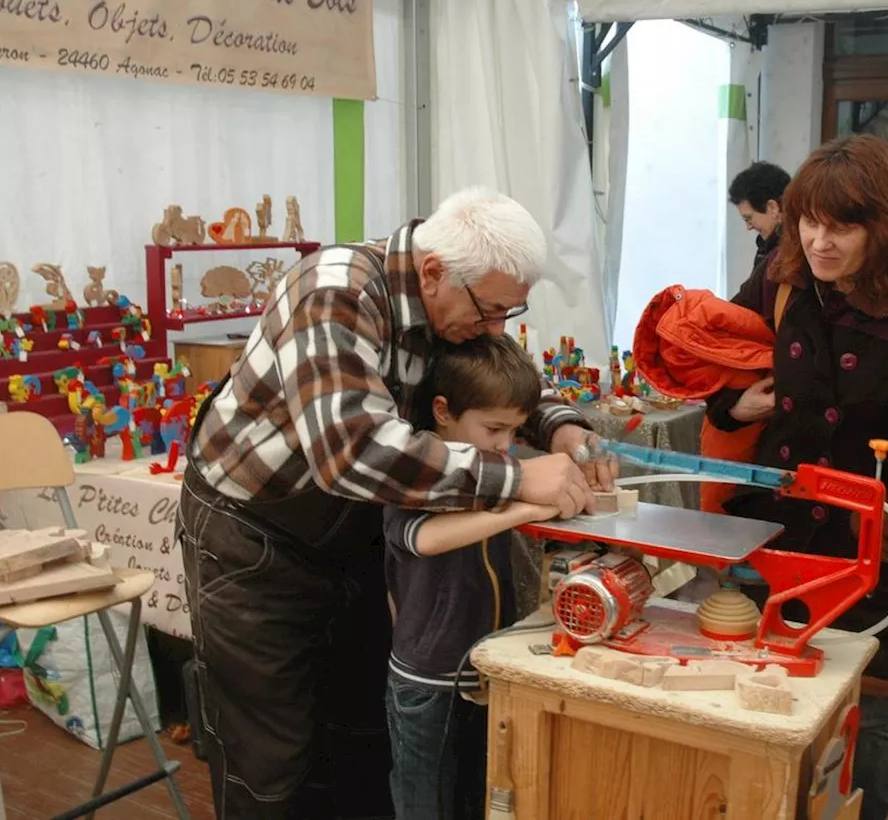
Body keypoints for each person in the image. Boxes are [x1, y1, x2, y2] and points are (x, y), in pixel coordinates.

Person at [177, 187, 616, 819]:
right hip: (255, 544)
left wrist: (556, 426)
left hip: (347, 534)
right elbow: (353, 451)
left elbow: (496, 378)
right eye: (490, 311)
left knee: (360, 741)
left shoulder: (452, 303)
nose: (494, 329)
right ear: (435, 272)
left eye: (507, 314)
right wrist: (516, 479)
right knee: (270, 762)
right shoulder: (335, 292)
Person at [707, 134, 888, 820]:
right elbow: (724, 352)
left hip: (873, 543)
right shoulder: (783, 273)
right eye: (808, 221)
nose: (820, 242)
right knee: (767, 684)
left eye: (843, 226)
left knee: (867, 701)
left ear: (884, 224)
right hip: (781, 523)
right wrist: (732, 403)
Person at [383, 334, 558, 820]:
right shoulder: (413, 468)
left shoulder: (490, 466)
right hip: (428, 679)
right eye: (494, 429)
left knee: (475, 801)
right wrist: (518, 509)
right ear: (443, 410)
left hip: (485, 667)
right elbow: (422, 538)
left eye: (515, 433)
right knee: (424, 806)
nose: (504, 446)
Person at [729, 161, 792, 276]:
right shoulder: (767, 247)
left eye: (749, 218)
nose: (749, 227)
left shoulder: (792, 256)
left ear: (773, 208)